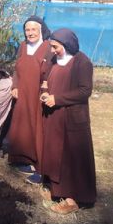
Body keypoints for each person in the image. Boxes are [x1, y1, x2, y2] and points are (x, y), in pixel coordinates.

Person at [39, 28, 96, 214]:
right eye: (52, 47)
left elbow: (84, 91)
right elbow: (47, 80)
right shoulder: (55, 60)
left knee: (72, 157)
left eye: (55, 47)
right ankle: (58, 191)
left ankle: (73, 200)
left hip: (72, 118)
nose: (53, 51)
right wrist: (45, 93)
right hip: (54, 115)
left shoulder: (82, 62)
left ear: (67, 45)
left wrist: (58, 99)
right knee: (56, 153)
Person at [7, 16, 52, 184]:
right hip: (23, 93)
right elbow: (17, 70)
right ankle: (26, 159)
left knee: (39, 128)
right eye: (27, 30)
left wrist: (46, 92)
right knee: (24, 126)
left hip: (38, 94)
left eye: (34, 29)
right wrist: (14, 86)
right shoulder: (23, 46)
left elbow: (51, 73)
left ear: (41, 30)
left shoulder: (48, 47)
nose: (30, 33)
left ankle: (41, 168)